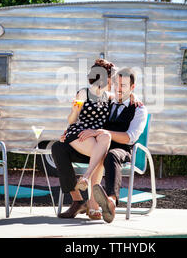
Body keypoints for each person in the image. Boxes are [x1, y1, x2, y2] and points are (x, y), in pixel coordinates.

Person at [52, 67, 148, 223]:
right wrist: (70, 131)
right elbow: (89, 117)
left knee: (110, 155)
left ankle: (109, 201)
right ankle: (77, 201)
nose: (118, 88)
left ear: (132, 87)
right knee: (58, 147)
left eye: (123, 86)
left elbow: (129, 138)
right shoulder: (108, 99)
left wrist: (101, 131)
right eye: (116, 84)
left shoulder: (139, 109)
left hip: (120, 149)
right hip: (97, 144)